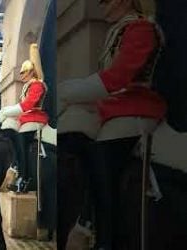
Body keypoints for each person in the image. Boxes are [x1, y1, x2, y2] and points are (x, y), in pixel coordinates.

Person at [58, 1, 165, 249]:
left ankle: (103, 236)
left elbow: (118, 78)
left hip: (137, 110)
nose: (101, 4)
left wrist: (68, 92)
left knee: (102, 155)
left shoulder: (141, 28)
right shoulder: (117, 31)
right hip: (111, 110)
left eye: (106, 0)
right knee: (71, 136)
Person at [0, 59, 49, 193]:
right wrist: (5, 113)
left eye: (24, 72)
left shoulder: (37, 85)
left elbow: (28, 105)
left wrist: (7, 111)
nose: (21, 75)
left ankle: (24, 178)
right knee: (8, 131)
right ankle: (15, 164)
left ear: (31, 72)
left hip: (36, 117)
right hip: (26, 118)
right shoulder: (28, 86)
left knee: (21, 138)